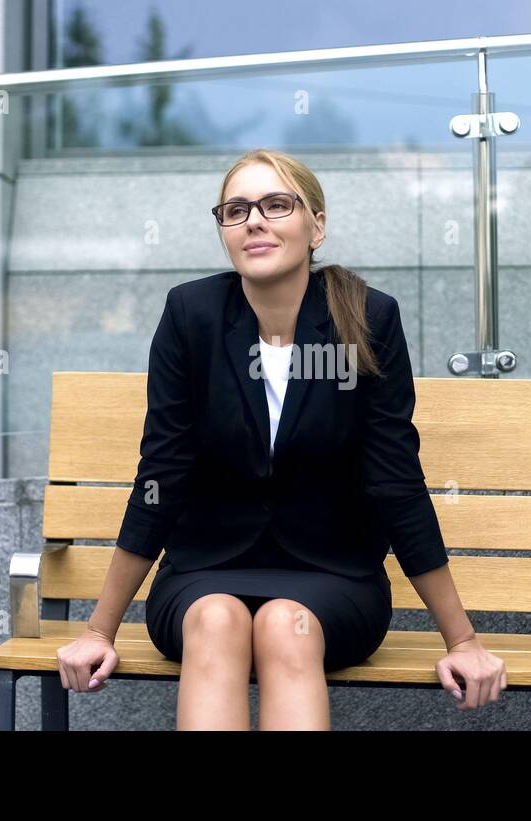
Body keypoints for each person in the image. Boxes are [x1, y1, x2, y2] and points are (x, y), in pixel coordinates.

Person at [57, 148, 506, 729]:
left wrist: (462, 639)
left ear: (316, 225)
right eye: (236, 210)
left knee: (282, 624)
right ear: (223, 231)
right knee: (216, 620)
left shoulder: (366, 319)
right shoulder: (191, 315)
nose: (255, 221)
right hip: (203, 574)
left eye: (276, 204)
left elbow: (394, 481)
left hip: (332, 578)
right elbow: (161, 477)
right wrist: (100, 630)